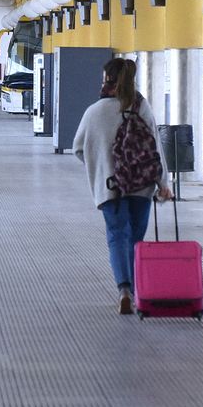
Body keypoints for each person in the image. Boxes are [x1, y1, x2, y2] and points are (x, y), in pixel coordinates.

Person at [73, 56, 173, 314]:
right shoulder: (141, 106)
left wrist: (100, 166)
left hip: (110, 186)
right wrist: (164, 182)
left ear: (107, 80)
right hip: (141, 186)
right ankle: (137, 290)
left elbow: (78, 148)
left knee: (117, 236)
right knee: (135, 239)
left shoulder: (94, 112)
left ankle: (124, 290)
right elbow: (155, 146)